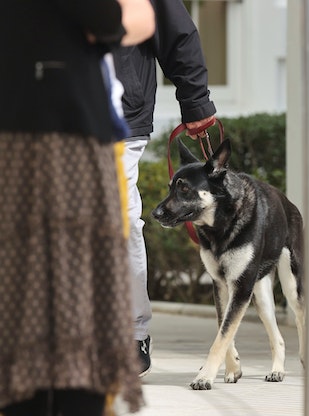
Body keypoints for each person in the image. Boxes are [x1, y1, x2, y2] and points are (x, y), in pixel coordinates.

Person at [0, 1, 154, 415]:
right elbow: (105, 18)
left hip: (60, 123)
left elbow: (141, 19)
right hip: (57, 133)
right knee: (70, 285)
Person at [112, 0, 216, 377]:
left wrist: (196, 100)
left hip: (118, 115)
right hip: (38, 114)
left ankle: (132, 332)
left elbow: (174, 29)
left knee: (118, 219)